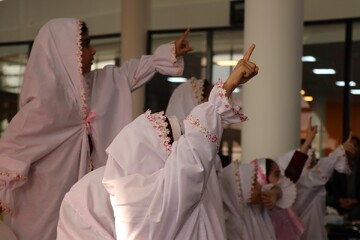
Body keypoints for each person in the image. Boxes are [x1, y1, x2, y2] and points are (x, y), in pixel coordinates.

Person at [0, 18, 192, 240]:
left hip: (84, 209)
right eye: (85, 44)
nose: (93, 51)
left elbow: (130, 73)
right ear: (64, 51)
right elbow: (7, 156)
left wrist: (169, 53)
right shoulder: (42, 107)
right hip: (43, 210)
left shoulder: (100, 84)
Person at [102, 44, 259, 239]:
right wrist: (226, 88)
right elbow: (187, 168)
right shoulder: (168, 180)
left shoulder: (131, 194)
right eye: (205, 99)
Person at [290, 127, 358, 239]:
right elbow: (322, 170)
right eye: (308, 157)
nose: (312, 161)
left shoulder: (310, 181)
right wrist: (340, 150)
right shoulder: (305, 183)